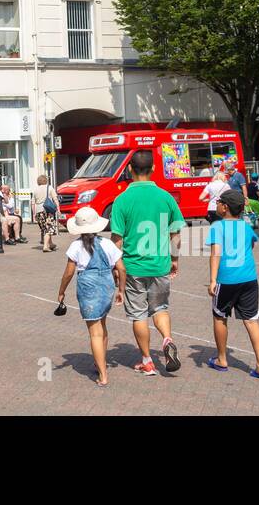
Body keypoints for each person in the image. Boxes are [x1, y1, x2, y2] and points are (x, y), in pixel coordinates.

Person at [109, 149, 183, 376]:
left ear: (130, 169)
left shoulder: (121, 200)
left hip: (133, 267)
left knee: (138, 315)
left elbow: (117, 239)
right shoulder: (165, 197)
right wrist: (174, 259)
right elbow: (175, 234)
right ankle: (167, 339)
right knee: (160, 307)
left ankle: (147, 361)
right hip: (160, 264)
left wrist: (115, 265)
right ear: (153, 169)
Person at [56, 206, 126, 387]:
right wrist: (121, 290)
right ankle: (100, 362)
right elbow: (121, 268)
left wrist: (61, 291)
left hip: (88, 286)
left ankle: (102, 374)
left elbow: (68, 273)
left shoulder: (76, 246)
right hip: (106, 285)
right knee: (102, 324)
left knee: (94, 332)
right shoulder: (107, 243)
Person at [205, 190, 259, 379]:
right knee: (252, 320)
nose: (216, 205)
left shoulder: (217, 227)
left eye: (218, 202)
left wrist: (212, 280)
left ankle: (222, 359)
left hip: (226, 280)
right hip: (249, 278)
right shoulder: (245, 226)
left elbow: (215, 254)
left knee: (219, 317)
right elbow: (251, 245)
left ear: (224, 207)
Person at [35, 179, 59, 253]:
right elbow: (55, 199)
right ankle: (45, 246)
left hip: (38, 211)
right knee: (49, 228)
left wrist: (33, 214)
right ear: (46, 181)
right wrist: (58, 208)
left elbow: (33, 202)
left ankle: (51, 244)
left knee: (45, 228)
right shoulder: (50, 188)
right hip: (47, 211)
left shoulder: (36, 189)